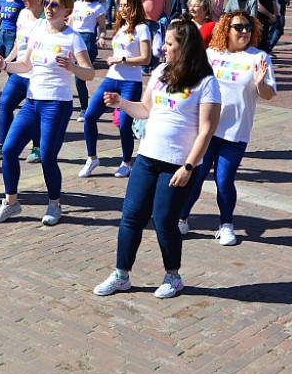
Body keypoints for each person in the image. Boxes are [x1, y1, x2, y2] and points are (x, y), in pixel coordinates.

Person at [92, 20, 221, 299]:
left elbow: (207, 131)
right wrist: (121, 103)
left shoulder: (207, 83)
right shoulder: (161, 71)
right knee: (131, 218)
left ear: (184, 48)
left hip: (178, 164)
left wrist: (189, 166)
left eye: (170, 44)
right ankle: (121, 275)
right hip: (147, 159)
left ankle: (173, 276)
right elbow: (145, 108)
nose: (163, 48)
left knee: (164, 221)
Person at [0, 0, 95, 226]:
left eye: (54, 5)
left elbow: (89, 74)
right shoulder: (37, 31)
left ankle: (55, 204)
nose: (48, 8)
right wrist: (4, 65)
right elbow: (25, 65)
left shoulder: (72, 37)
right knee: (9, 150)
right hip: (32, 101)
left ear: (67, 10)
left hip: (57, 104)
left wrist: (72, 67)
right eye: (47, 3)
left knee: (47, 156)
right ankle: (11, 202)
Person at [177, 10, 276, 245]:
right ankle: (181, 219)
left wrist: (259, 84)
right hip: (205, 130)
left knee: (224, 180)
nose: (244, 31)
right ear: (226, 30)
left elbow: (270, 94)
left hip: (235, 132)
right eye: (238, 27)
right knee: (196, 177)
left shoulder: (259, 58)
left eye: (248, 27)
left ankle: (226, 225)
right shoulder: (211, 54)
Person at [79, 0, 151, 178]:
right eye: (121, 5)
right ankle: (92, 158)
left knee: (124, 125)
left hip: (131, 82)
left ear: (134, 7)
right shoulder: (120, 27)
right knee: (90, 116)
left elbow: (146, 58)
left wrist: (123, 59)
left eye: (127, 5)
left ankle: (126, 162)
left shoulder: (142, 28)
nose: (123, 9)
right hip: (111, 79)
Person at [0, 0, 46, 163]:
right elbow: (19, 44)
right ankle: (2, 145)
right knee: (4, 103)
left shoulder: (47, 20)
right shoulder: (23, 15)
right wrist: (7, 61)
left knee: (35, 110)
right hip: (20, 71)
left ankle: (37, 148)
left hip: (37, 73)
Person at [70, 0, 107, 118]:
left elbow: (102, 28)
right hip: (74, 38)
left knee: (80, 77)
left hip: (87, 40)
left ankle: (84, 109)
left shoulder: (98, 7)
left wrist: (102, 37)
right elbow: (70, 24)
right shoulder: (76, 4)